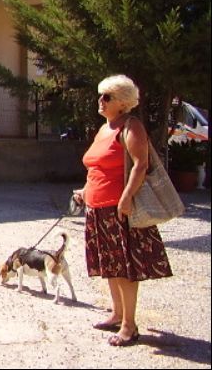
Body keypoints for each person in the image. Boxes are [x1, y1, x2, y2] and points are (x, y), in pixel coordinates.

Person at [72, 75, 173, 347]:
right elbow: (96, 167)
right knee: (109, 265)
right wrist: (84, 191)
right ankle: (117, 315)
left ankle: (129, 325)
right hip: (96, 207)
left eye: (107, 97)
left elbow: (141, 164)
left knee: (125, 267)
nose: (100, 101)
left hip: (119, 209)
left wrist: (126, 198)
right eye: (100, 95)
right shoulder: (104, 129)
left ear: (123, 102)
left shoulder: (131, 126)